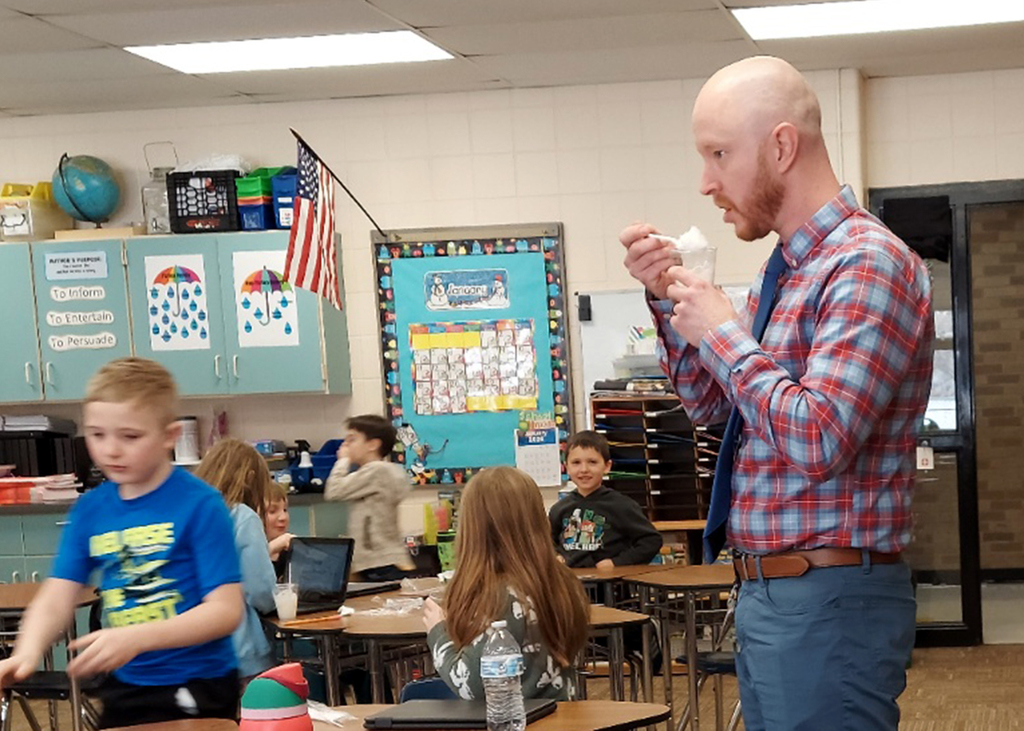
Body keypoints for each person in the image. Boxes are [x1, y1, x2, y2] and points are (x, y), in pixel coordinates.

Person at [620, 56, 934, 730]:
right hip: (776, 593)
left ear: (782, 146)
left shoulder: (865, 262)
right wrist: (671, 303)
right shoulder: (785, 270)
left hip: (828, 595)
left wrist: (726, 334)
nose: (706, 182)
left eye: (719, 154)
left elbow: (819, 437)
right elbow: (715, 413)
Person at [0, 357, 244, 728]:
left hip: (198, 683)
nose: (111, 450)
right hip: (127, 681)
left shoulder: (200, 505)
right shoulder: (92, 510)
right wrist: (27, 651)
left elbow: (225, 611)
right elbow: (57, 595)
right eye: (97, 435)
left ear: (169, 436)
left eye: (129, 436)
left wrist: (136, 638)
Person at [422, 467, 590, 701]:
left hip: (516, 719)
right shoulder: (562, 580)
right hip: (561, 713)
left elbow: (472, 685)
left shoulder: (504, 595)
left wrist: (438, 631)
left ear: (474, 529)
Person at [195, 438, 278, 680]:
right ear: (250, 477)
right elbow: (261, 591)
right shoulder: (242, 516)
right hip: (239, 650)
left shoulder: (189, 514)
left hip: (191, 650)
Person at [549, 430, 662, 568]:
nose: (584, 469)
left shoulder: (622, 505)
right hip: (571, 583)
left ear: (607, 466)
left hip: (610, 585)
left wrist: (617, 563)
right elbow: (548, 542)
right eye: (576, 462)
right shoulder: (559, 508)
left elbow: (651, 541)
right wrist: (556, 556)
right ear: (566, 467)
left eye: (592, 462)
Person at [324, 415, 413, 581]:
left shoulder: (377, 471)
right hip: (373, 562)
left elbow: (334, 490)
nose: (346, 445)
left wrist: (343, 461)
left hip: (380, 563)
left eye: (352, 439)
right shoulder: (372, 473)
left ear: (373, 444)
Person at [264, 480, 294, 579]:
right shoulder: (238, 555)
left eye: (285, 510)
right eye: (272, 511)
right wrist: (272, 548)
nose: (283, 517)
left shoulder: (290, 556)